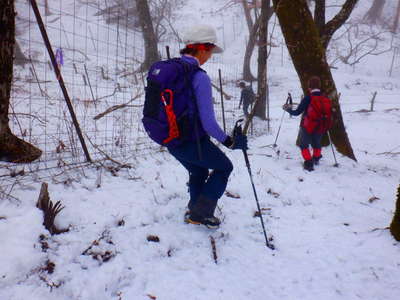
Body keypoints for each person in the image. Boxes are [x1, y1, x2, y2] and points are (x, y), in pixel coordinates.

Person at [166, 25, 247, 228]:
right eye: (210, 51)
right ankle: (201, 213)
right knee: (225, 167)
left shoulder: (170, 70)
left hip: (170, 140)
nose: (210, 56)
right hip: (192, 142)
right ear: (202, 49)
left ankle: (194, 210)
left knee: (199, 171)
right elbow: (208, 123)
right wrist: (229, 141)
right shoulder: (198, 77)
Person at [282, 76, 332, 172]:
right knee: (316, 143)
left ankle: (309, 163)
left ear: (309, 87)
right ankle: (316, 158)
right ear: (319, 86)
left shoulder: (308, 98)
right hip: (321, 125)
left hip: (308, 126)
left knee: (303, 144)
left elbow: (297, 113)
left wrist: (287, 109)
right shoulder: (325, 98)